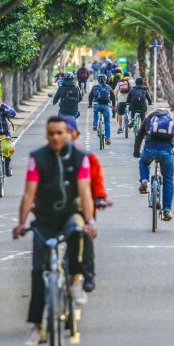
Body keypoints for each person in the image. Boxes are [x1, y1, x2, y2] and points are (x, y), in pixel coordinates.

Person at [12, 116, 99, 346]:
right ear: (47, 135)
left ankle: (74, 279)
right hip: (45, 218)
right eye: (51, 133)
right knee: (38, 270)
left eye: (60, 133)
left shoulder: (80, 159)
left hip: (71, 212)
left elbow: (85, 192)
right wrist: (21, 223)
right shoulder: (36, 158)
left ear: (67, 134)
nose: (56, 137)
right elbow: (29, 194)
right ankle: (37, 326)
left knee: (77, 232)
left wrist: (89, 221)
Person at [63, 115, 110, 297]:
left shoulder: (87, 158)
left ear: (75, 134)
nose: (63, 136)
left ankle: (88, 274)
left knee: (85, 235)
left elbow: (97, 183)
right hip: (57, 209)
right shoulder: (48, 157)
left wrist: (99, 198)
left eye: (68, 132)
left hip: (83, 208)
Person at [133, 107, 174, 221]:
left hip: (149, 149)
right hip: (166, 152)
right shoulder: (172, 120)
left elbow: (140, 135)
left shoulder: (150, 118)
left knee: (144, 162)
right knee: (168, 179)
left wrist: (136, 152)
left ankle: (144, 180)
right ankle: (167, 210)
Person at [88, 75, 116, 144]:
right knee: (107, 122)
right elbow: (113, 97)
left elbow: (90, 96)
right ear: (105, 80)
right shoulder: (108, 87)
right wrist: (113, 105)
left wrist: (90, 104)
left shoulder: (95, 87)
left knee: (95, 112)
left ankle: (95, 124)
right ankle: (107, 139)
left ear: (98, 80)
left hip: (97, 105)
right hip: (106, 106)